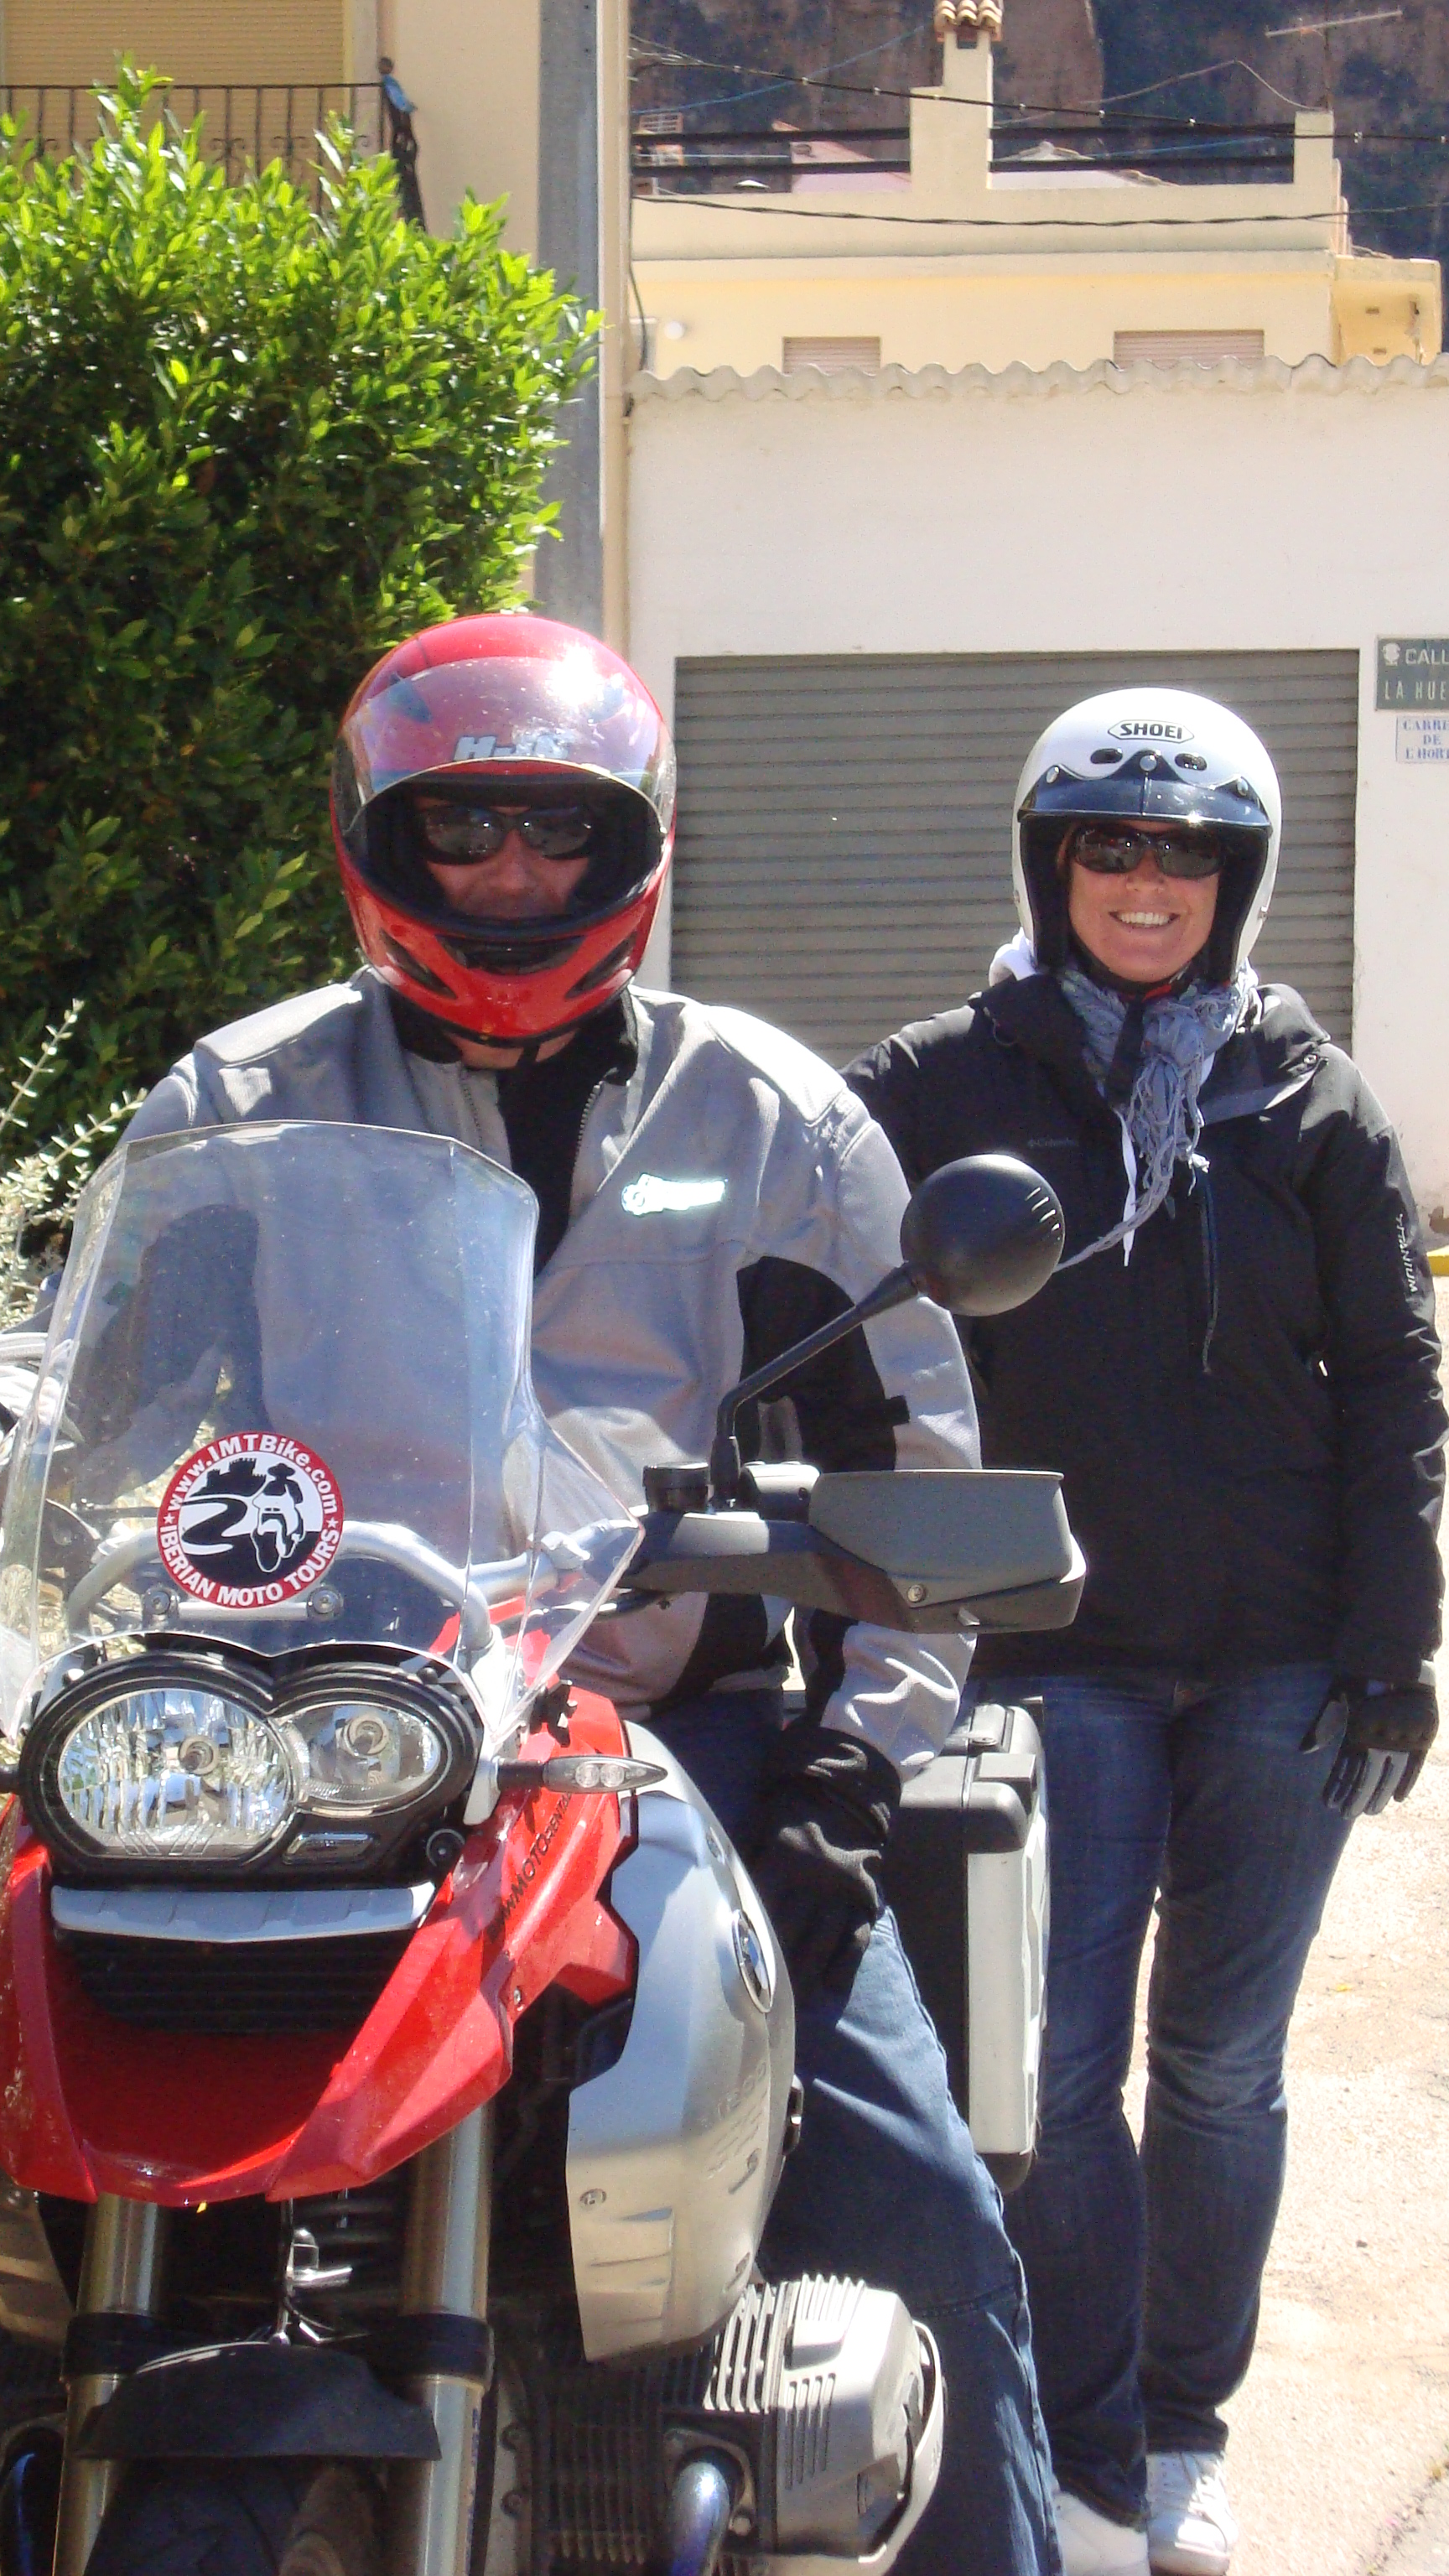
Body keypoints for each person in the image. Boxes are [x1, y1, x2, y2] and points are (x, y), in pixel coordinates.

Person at [125, 610, 1062, 2576]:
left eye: (553, 836)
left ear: (632, 843)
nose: (510, 881)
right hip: (314, 1754)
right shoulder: (236, 1103)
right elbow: (119, 1436)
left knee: (919, 2213)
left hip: (671, 1744)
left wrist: (848, 1778)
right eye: (462, 835)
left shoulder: (774, 1120)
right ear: (374, 843)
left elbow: (922, 1488)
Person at [848, 688, 1446, 2576]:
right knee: (1058, 2066)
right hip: (1056, 1646)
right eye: (1110, 843)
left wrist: (1397, 1637)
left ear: (1237, 878)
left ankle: (1186, 2424)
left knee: (1225, 2068)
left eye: (1186, 850)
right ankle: (1083, 2428)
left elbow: (1399, 1380)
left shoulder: (1307, 1090)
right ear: (1051, 860)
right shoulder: (944, 1074)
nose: (1146, 879)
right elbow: (801, 1284)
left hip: (1283, 1659)